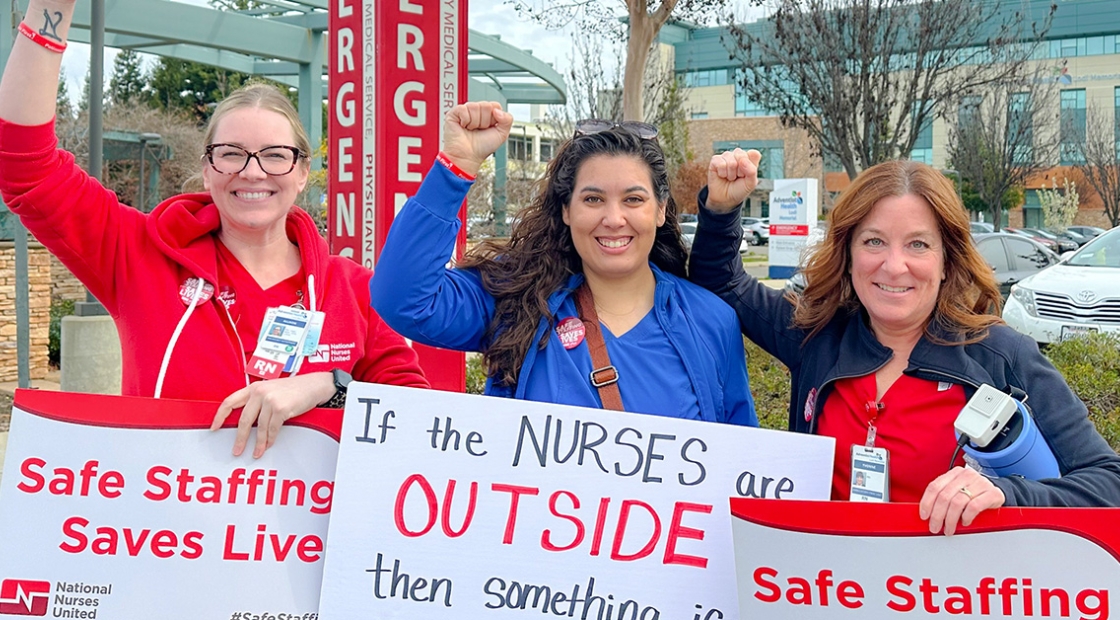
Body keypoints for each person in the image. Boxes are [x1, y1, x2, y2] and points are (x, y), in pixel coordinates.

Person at [0, 0, 428, 458]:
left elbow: (415, 418)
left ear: (303, 173)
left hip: (304, 529)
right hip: (164, 525)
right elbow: (27, 169)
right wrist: (51, 9)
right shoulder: (138, 255)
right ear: (207, 170)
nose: (253, 172)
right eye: (230, 153)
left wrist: (330, 386)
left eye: (276, 155)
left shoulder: (354, 290)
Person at [690, 149, 1120, 534]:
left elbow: (1108, 482)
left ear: (948, 260)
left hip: (952, 598)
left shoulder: (1001, 356)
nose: (894, 266)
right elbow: (722, 282)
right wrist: (722, 209)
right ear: (849, 253)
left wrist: (1006, 494)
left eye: (917, 244)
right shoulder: (816, 335)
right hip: (832, 593)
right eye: (874, 241)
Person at [370, 102, 757, 425]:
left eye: (634, 200)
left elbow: (741, 466)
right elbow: (402, 299)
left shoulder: (711, 321)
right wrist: (455, 167)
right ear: (566, 211)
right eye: (592, 199)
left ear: (661, 211)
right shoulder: (514, 301)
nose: (614, 218)